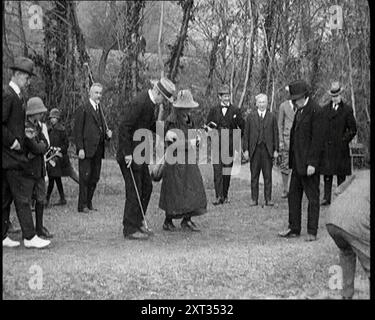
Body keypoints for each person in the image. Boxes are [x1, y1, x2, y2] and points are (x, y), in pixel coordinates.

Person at [117, 77, 176, 240]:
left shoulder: (151, 104)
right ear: (157, 92)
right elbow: (124, 127)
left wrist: (165, 133)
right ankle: (129, 229)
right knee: (134, 190)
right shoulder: (140, 102)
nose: (162, 102)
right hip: (129, 155)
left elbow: (150, 125)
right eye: (163, 99)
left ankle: (138, 221)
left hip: (140, 153)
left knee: (147, 187)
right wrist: (127, 153)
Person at [3, 57, 50, 249]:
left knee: (5, 199)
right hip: (11, 156)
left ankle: (3, 235)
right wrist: (12, 141)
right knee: (22, 198)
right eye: (27, 77)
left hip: (9, 158)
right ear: (19, 75)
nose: (29, 81)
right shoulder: (8, 95)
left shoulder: (16, 95)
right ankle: (30, 237)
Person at [278, 80, 326, 242]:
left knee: (312, 198)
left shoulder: (316, 111)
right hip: (298, 163)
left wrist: (312, 163)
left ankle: (312, 231)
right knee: (293, 196)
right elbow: (295, 137)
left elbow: (318, 140)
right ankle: (294, 228)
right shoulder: (299, 110)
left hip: (309, 164)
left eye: (295, 98)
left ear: (304, 96)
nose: (293, 101)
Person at [159, 89, 207, 232]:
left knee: (192, 188)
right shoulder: (171, 120)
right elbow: (172, 144)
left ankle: (187, 220)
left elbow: (191, 134)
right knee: (174, 190)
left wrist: (198, 138)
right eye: (184, 107)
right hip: (175, 161)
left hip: (188, 160)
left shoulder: (189, 118)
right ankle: (168, 221)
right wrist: (190, 143)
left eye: (188, 107)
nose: (188, 109)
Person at [326, 171, 370, 299]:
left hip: (333, 218)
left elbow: (338, 191)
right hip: (355, 222)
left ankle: (346, 294)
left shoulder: (360, 174)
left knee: (346, 251)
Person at [73, 83, 112, 213]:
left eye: (100, 93)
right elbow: (77, 131)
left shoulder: (100, 109)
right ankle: (82, 205)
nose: (99, 96)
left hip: (98, 150)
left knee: (95, 177)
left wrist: (108, 135)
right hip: (86, 150)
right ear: (90, 93)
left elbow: (100, 129)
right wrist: (80, 149)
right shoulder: (83, 108)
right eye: (96, 93)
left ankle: (89, 203)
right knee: (85, 177)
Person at [205, 85, 244, 205]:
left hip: (230, 144)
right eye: (224, 96)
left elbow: (243, 127)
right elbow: (207, 126)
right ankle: (218, 196)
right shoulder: (213, 110)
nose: (227, 98)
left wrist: (236, 141)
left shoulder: (236, 110)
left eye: (228, 95)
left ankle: (225, 195)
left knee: (227, 171)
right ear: (219, 97)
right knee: (217, 171)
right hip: (217, 143)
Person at [320, 81, 357, 206]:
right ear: (331, 96)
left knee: (341, 174)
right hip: (328, 147)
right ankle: (326, 197)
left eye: (337, 96)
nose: (335, 98)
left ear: (340, 95)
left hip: (341, 148)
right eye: (333, 96)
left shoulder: (347, 110)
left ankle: (341, 197)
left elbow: (353, 129)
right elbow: (322, 128)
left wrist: (343, 140)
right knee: (327, 174)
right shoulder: (324, 110)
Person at [243, 93, 279, 206]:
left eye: (264, 102)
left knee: (267, 175)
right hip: (254, 150)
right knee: (254, 175)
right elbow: (246, 134)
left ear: (267, 103)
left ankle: (268, 199)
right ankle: (254, 199)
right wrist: (246, 150)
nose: (262, 104)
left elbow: (275, 134)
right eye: (260, 102)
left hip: (267, 150)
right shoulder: (250, 117)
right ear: (256, 103)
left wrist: (276, 149)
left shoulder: (272, 116)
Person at [24, 97, 53, 239]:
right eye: (39, 112)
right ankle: (28, 232)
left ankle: (39, 227)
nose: (42, 114)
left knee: (41, 198)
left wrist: (40, 146)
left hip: (39, 168)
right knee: (26, 201)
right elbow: (35, 147)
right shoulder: (26, 127)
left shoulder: (38, 126)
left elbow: (45, 144)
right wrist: (40, 146)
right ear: (32, 113)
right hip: (28, 170)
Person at [46, 108, 76, 207]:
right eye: (51, 118)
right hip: (51, 157)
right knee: (55, 178)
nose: (53, 119)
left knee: (54, 178)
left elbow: (66, 144)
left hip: (59, 158)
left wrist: (59, 149)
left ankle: (47, 200)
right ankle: (62, 198)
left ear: (58, 118)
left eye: (55, 118)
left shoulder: (62, 130)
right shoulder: (49, 130)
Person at [277, 89, 296, 198]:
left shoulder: (300, 105)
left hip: (298, 141)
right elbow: (280, 125)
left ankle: (296, 189)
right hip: (286, 140)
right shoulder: (283, 106)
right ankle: (285, 189)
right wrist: (281, 141)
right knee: (285, 165)